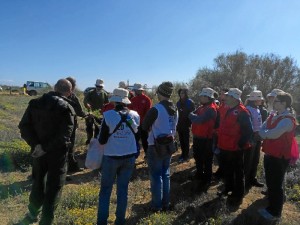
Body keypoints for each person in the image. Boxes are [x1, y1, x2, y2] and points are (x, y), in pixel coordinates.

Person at [18, 79, 75, 225]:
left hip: (38, 153)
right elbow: (64, 136)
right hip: (57, 155)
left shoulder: (35, 103)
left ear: (55, 88)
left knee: (37, 183)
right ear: (69, 92)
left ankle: (31, 215)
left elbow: (24, 126)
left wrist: (36, 145)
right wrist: (44, 147)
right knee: (54, 187)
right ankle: (46, 220)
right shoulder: (66, 108)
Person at [97, 88, 140, 225]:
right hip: (129, 157)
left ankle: (102, 222)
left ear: (114, 101)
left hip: (111, 157)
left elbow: (102, 140)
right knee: (123, 190)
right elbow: (137, 134)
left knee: (105, 191)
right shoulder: (135, 115)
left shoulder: (108, 115)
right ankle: (120, 221)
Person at [258, 92, 297, 221]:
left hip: (279, 157)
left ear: (284, 103)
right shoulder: (274, 115)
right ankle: (271, 206)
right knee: (271, 182)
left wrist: (264, 133)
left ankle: (275, 212)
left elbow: (274, 134)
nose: (273, 103)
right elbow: (262, 128)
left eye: (276, 101)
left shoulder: (287, 119)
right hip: (270, 154)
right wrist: (264, 133)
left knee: (276, 184)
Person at [142, 81, 178, 211]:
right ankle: (166, 203)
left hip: (155, 146)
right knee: (166, 174)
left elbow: (144, 127)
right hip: (169, 145)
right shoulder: (175, 109)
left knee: (156, 176)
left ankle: (157, 206)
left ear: (160, 94)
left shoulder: (155, 109)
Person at [217, 88, 253, 206]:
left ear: (234, 98)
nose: (225, 98)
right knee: (227, 170)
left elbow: (248, 131)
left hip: (235, 149)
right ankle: (228, 188)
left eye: (227, 96)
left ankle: (238, 196)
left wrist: (240, 145)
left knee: (238, 172)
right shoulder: (228, 108)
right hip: (225, 146)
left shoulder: (242, 112)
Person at [189, 88, 217, 189]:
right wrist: (193, 116)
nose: (200, 97)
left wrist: (192, 116)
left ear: (207, 97)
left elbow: (199, 120)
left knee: (207, 160)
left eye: (202, 96)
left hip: (207, 139)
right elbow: (193, 115)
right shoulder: (202, 107)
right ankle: (199, 174)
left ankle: (207, 179)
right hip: (198, 137)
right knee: (198, 157)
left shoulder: (211, 109)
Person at [65, 76, 88, 172]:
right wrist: (87, 115)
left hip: (53, 127)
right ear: (72, 86)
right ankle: (70, 167)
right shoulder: (73, 97)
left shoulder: (52, 96)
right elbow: (79, 112)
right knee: (69, 146)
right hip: (69, 126)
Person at [244, 90, 264, 190]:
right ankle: (246, 180)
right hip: (251, 137)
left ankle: (252, 178)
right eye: (260, 99)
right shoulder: (248, 109)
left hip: (257, 137)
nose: (261, 101)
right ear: (255, 100)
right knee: (249, 159)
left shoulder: (257, 108)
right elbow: (248, 126)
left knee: (255, 159)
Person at [83, 79, 109, 144]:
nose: (99, 88)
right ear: (96, 86)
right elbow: (85, 100)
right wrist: (87, 105)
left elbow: (107, 103)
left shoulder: (104, 94)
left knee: (98, 128)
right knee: (89, 127)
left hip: (99, 114)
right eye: (98, 86)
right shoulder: (90, 92)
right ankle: (89, 139)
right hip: (90, 113)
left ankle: (95, 140)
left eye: (100, 87)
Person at [130, 83, 152, 157]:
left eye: (136, 90)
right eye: (135, 90)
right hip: (134, 124)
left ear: (140, 90)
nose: (135, 92)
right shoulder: (132, 100)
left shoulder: (147, 99)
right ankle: (134, 156)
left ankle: (148, 154)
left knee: (145, 140)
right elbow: (129, 112)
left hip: (143, 124)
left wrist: (148, 124)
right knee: (134, 141)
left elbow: (148, 113)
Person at [176, 87, 195, 162]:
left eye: (183, 93)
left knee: (186, 140)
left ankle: (186, 155)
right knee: (181, 140)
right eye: (180, 93)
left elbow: (193, 113)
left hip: (186, 124)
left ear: (186, 94)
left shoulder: (190, 102)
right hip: (179, 124)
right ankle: (183, 153)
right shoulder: (178, 103)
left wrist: (190, 123)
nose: (181, 95)